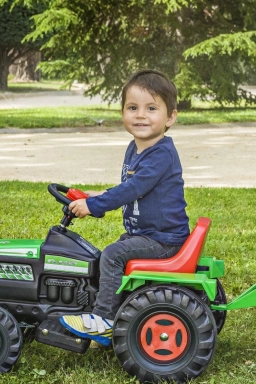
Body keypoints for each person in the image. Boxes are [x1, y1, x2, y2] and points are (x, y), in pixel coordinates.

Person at [60, 70, 190, 345]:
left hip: (163, 238)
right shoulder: (136, 148)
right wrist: (99, 194)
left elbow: (133, 189)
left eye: (151, 108)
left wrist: (95, 205)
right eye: (133, 108)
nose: (141, 115)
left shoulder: (162, 154)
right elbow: (129, 188)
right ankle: (108, 307)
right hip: (145, 233)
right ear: (123, 113)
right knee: (102, 257)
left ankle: (103, 320)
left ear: (170, 117)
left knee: (112, 255)